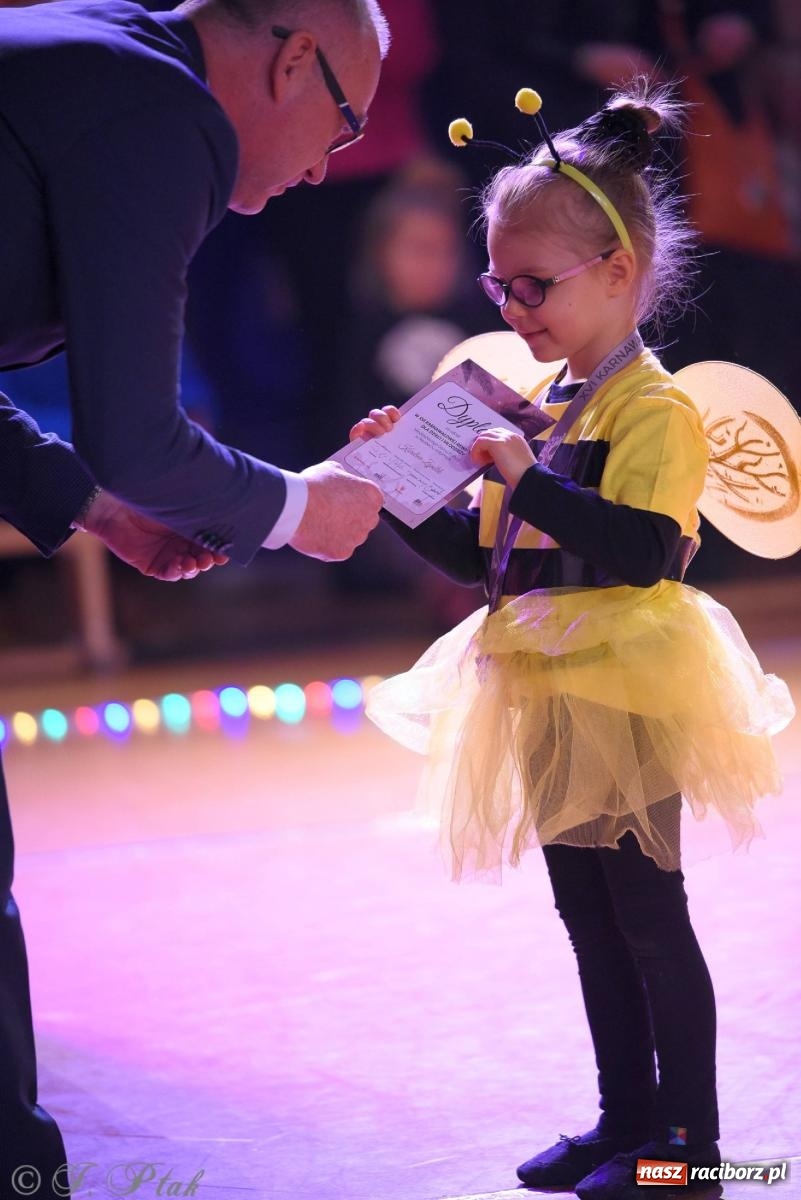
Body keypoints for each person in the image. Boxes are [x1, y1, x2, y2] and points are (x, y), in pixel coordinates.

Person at [350, 82, 794, 1199]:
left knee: (647, 912)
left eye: (535, 284)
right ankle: (624, 1120)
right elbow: (488, 565)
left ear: (619, 274)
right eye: (500, 283)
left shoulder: (655, 410)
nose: (515, 304)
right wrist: (400, 487)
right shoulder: (541, 403)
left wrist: (524, 474)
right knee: (585, 913)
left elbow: (645, 549)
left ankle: (688, 1149)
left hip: (630, 684)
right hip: (541, 680)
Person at [0, 0, 388, 1190]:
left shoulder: (100, 55)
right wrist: (297, 510)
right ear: (290, 59)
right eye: (343, 122)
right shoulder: (165, 112)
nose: (329, 167)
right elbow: (138, 431)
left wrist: (98, 512)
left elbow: (118, 462)